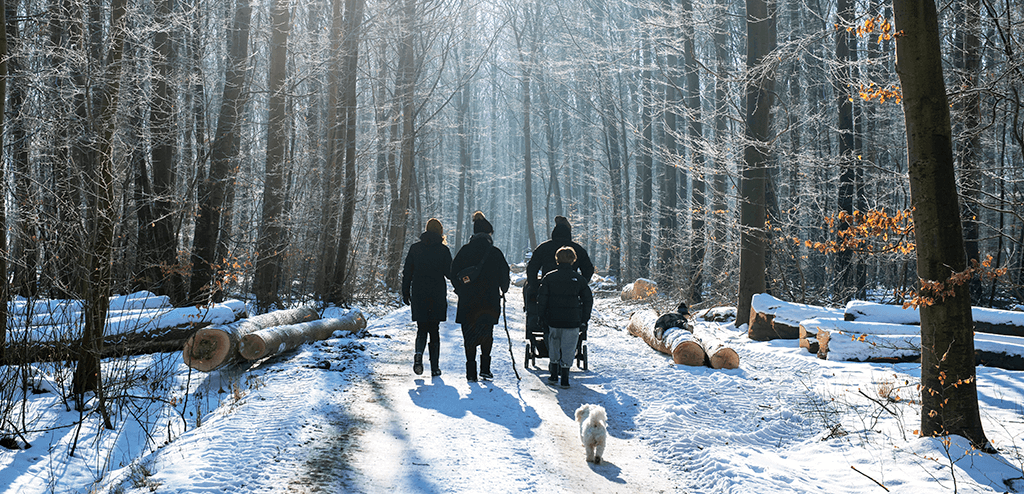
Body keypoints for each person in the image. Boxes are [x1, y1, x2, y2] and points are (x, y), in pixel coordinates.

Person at [450, 211, 510, 382]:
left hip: (468, 301)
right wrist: (503, 289)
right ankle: (485, 369)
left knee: (469, 335)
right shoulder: (495, 253)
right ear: (489, 234)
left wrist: (460, 289)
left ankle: (470, 371)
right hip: (489, 302)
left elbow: (453, 273)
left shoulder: (464, 251)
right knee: (486, 334)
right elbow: (504, 277)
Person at [402, 218, 453, 377]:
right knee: (434, 329)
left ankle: (418, 356)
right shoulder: (443, 251)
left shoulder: (415, 248)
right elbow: (449, 273)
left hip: (419, 292)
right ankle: (435, 367)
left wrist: (405, 291)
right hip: (436, 293)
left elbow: (407, 273)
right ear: (440, 231)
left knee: (421, 328)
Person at [536, 246, 593, 389]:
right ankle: (565, 377)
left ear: (557, 260)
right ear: (573, 260)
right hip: (573, 320)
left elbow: (542, 299)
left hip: (553, 319)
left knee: (554, 343)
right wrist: (584, 318)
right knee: (569, 347)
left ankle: (554, 374)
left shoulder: (549, 277)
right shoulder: (579, 279)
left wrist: (541, 315)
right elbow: (588, 299)